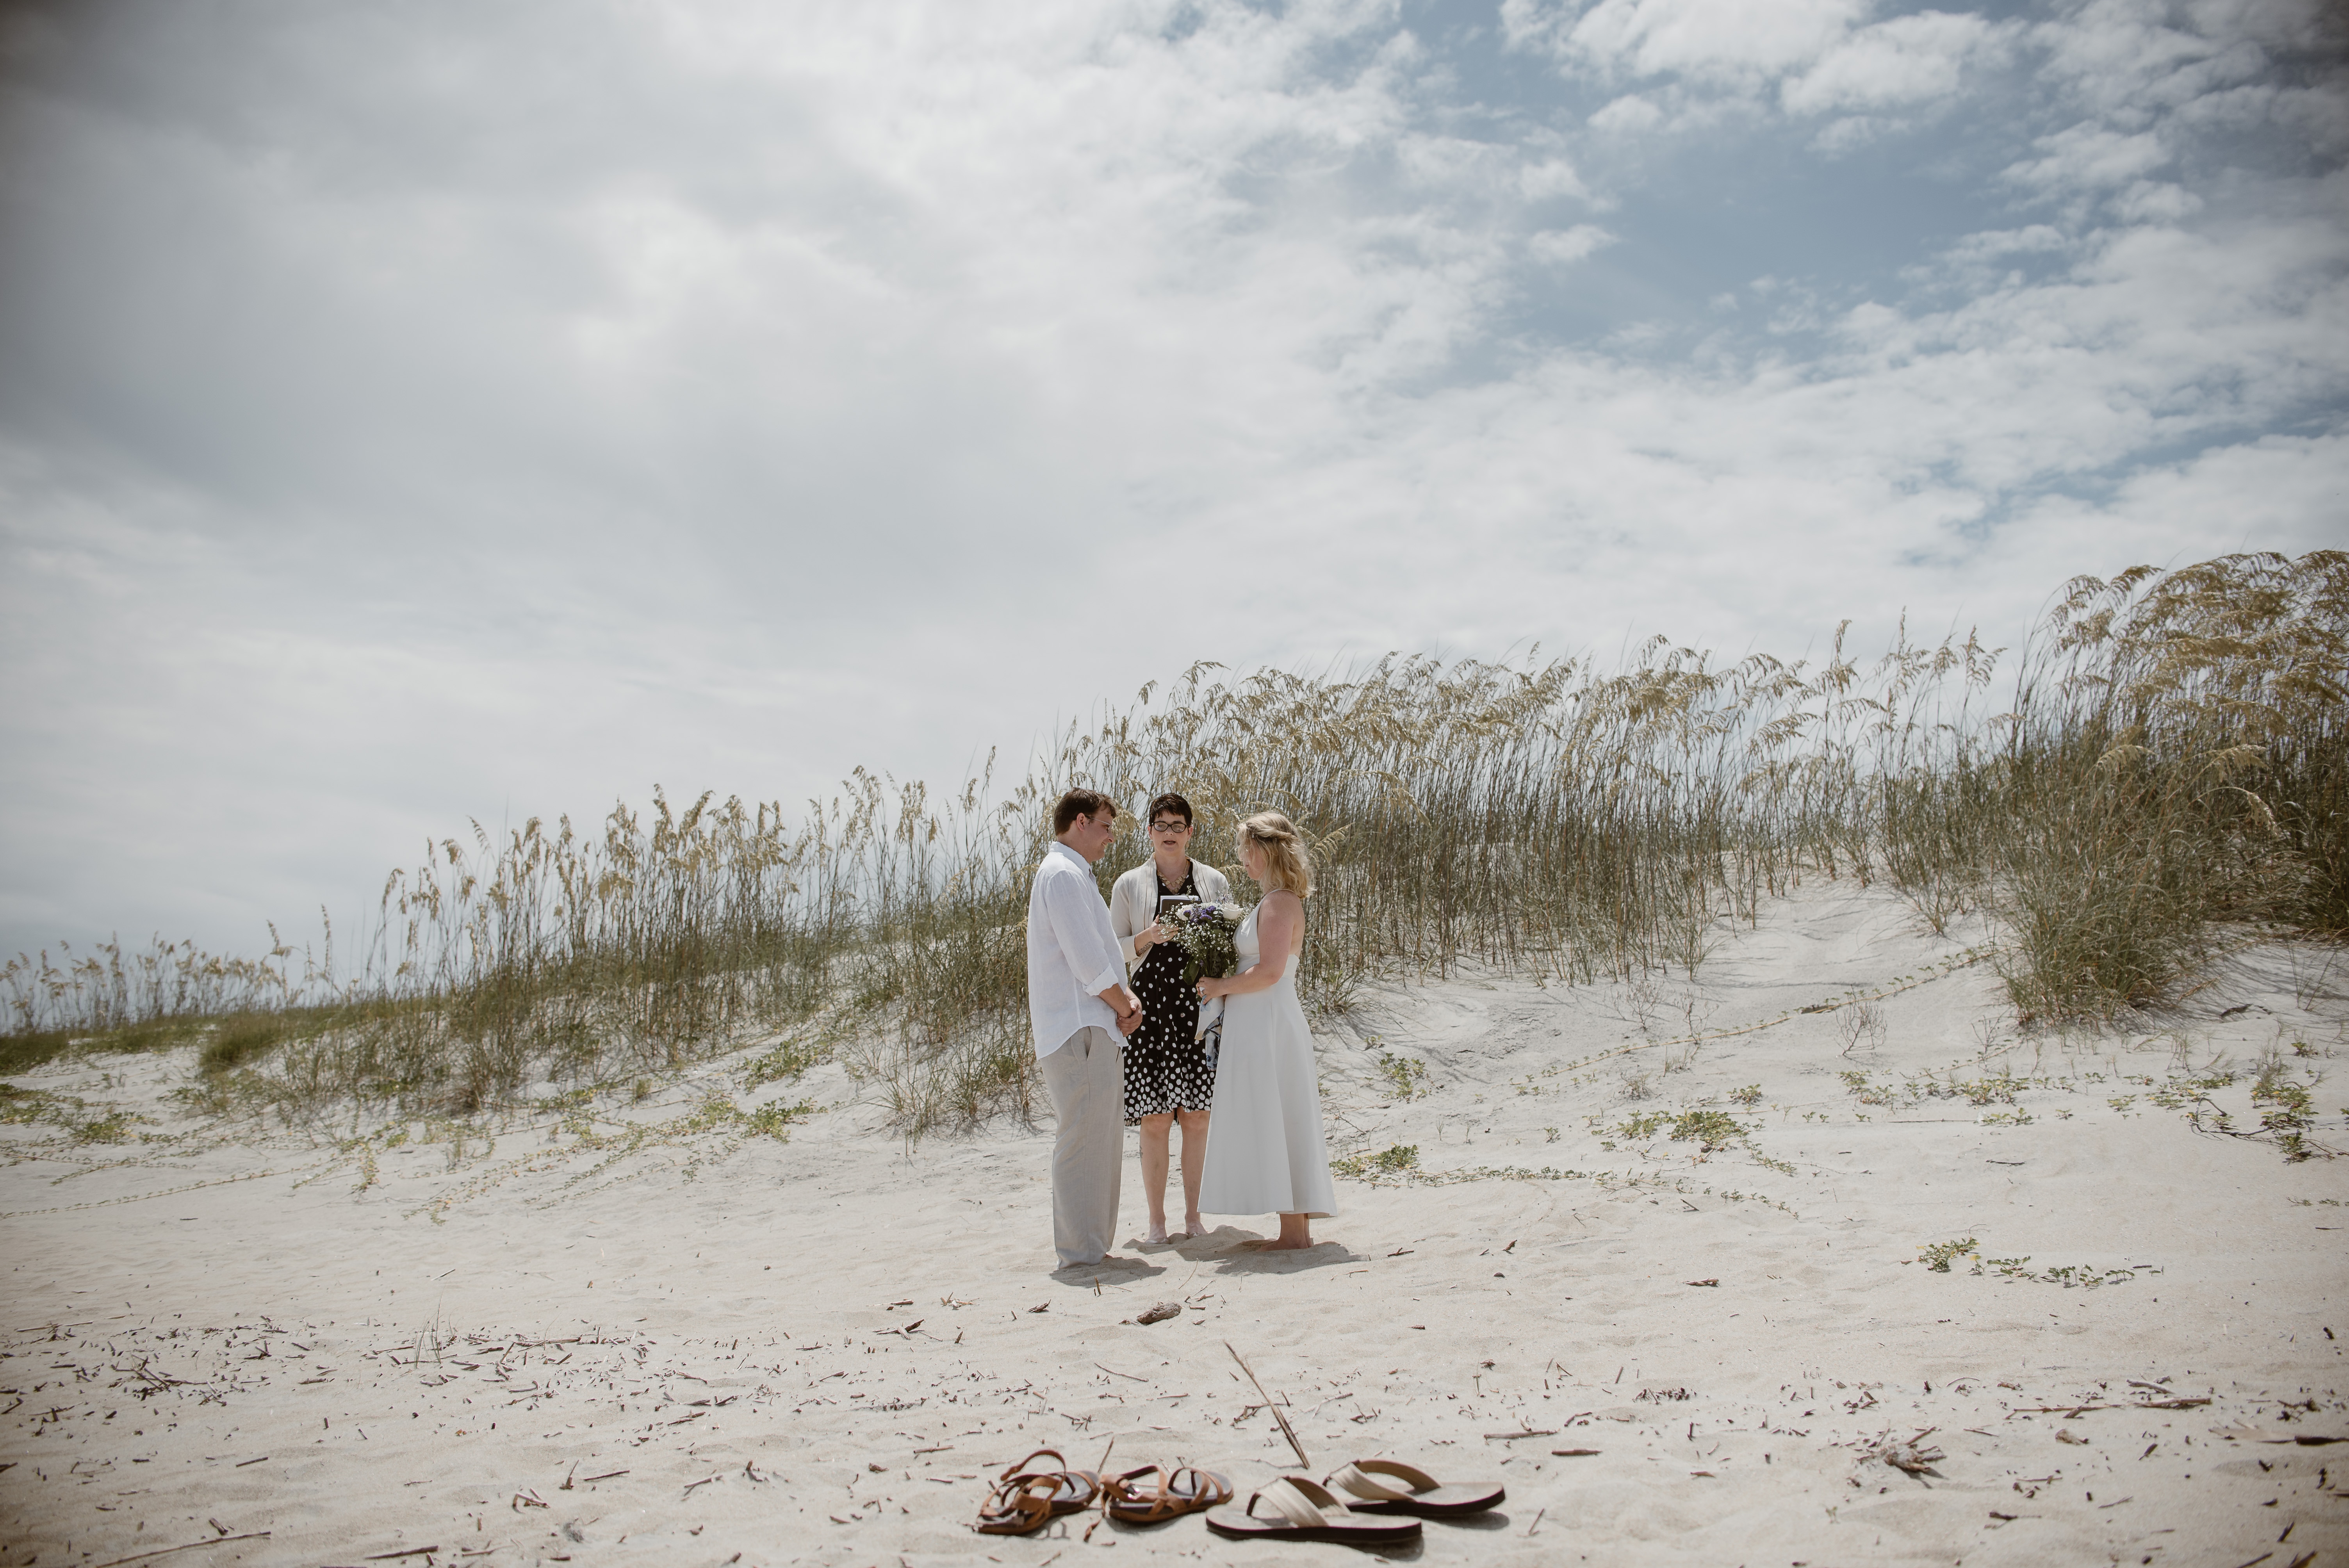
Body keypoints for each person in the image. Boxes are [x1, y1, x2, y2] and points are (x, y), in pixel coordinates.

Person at [1194, 811, 1337, 1249]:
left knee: (1281, 1112)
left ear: (1264, 848)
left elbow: (1271, 970)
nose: (1242, 858)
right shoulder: (1273, 899)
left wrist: (1219, 985)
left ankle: (1295, 1233)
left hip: (1269, 1019)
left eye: (1245, 848)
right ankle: (1292, 1229)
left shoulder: (1278, 902)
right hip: (1258, 1020)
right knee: (1272, 1114)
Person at [1026, 788, 1145, 1270]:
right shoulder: (1062, 875)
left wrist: (1125, 997)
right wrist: (1123, 1003)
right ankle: (1081, 1253)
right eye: (1105, 826)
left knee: (1097, 1140)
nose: (1110, 837)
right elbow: (1088, 961)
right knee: (1082, 1139)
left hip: (1087, 1027)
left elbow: (1098, 954)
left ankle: (1090, 1247)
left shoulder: (1071, 874)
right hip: (1082, 1029)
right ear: (1080, 822)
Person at [1109, 792, 1235, 1245]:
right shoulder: (1129, 883)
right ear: (1148, 830)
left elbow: (1232, 943)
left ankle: (1194, 1215)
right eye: (1160, 825)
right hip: (1150, 1012)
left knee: (1198, 1115)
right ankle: (1158, 1220)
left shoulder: (1214, 880)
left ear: (1190, 831)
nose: (1168, 833)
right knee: (1156, 1118)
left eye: (1177, 825)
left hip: (1198, 1007)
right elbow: (1112, 951)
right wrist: (1147, 936)